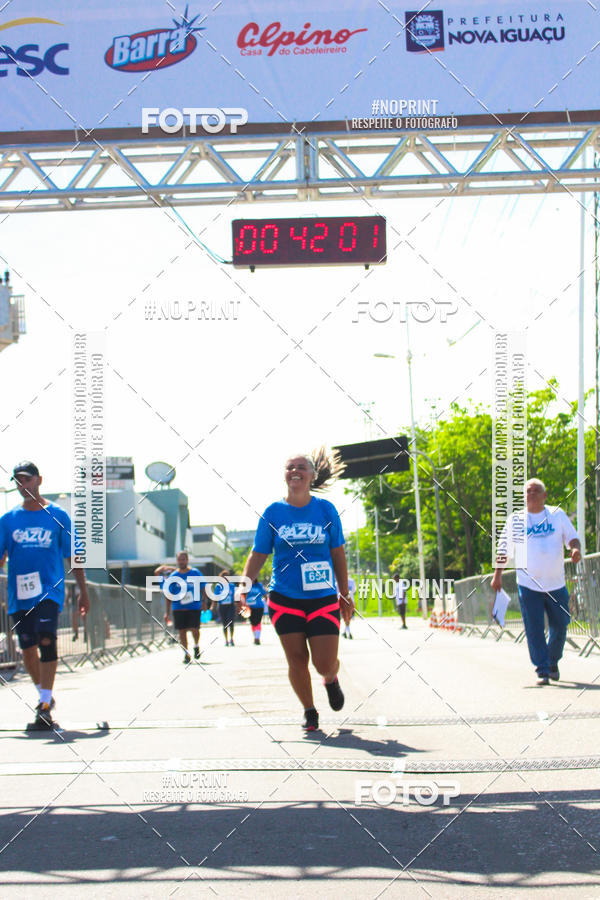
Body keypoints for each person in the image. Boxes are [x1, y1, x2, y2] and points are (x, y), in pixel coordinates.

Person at [239, 449, 354, 731]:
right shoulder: (273, 513)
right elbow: (258, 554)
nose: (295, 471)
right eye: (290, 467)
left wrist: (344, 593)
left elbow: (337, 553)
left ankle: (330, 678)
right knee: (297, 659)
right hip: (284, 598)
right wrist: (243, 587)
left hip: (323, 598)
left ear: (312, 475)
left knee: (324, 662)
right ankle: (310, 710)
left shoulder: (325, 510)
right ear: (285, 475)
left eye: (301, 467)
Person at [0, 461, 89, 729]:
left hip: (49, 590)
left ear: (39, 480)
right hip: (19, 594)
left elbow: (73, 556)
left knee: (47, 639)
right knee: (27, 649)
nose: (22, 485)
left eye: (27, 480)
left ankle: (45, 704)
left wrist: (84, 592)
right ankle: (44, 696)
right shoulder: (8, 520)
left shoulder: (58, 515)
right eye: (17, 481)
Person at [491, 478, 581, 686]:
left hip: (556, 583)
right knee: (534, 628)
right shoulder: (515, 520)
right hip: (528, 584)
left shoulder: (557, 515)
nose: (531, 494)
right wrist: (497, 575)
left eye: (536, 490)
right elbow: (504, 549)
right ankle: (543, 668)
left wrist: (575, 549)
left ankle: (552, 660)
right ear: (524, 496)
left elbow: (572, 538)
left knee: (561, 624)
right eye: (528, 491)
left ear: (545, 495)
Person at [154, 551, 206, 664]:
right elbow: (168, 595)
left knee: (195, 629)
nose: (181, 561)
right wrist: (167, 612)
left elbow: (203, 588)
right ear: (177, 561)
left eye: (183, 559)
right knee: (182, 632)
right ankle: (186, 654)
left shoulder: (195, 573)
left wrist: (204, 603)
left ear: (187, 560)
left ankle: (196, 646)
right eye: (179, 559)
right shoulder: (173, 577)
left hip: (194, 607)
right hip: (178, 607)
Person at [212, 569, 237, 646]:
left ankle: (231, 639)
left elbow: (235, 596)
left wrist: (238, 606)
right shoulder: (218, 586)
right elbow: (215, 597)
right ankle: (226, 640)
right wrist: (213, 606)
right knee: (225, 624)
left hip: (230, 606)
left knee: (231, 623)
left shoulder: (232, 586)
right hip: (222, 606)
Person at [245, 579, 267, 644]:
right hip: (249, 608)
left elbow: (264, 594)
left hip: (259, 606)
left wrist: (267, 602)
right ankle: (255, 637)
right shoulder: (246, 586)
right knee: (252, 623)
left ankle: (257, 638)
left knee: (258, 622)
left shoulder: (259, 585)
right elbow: (242, 596)